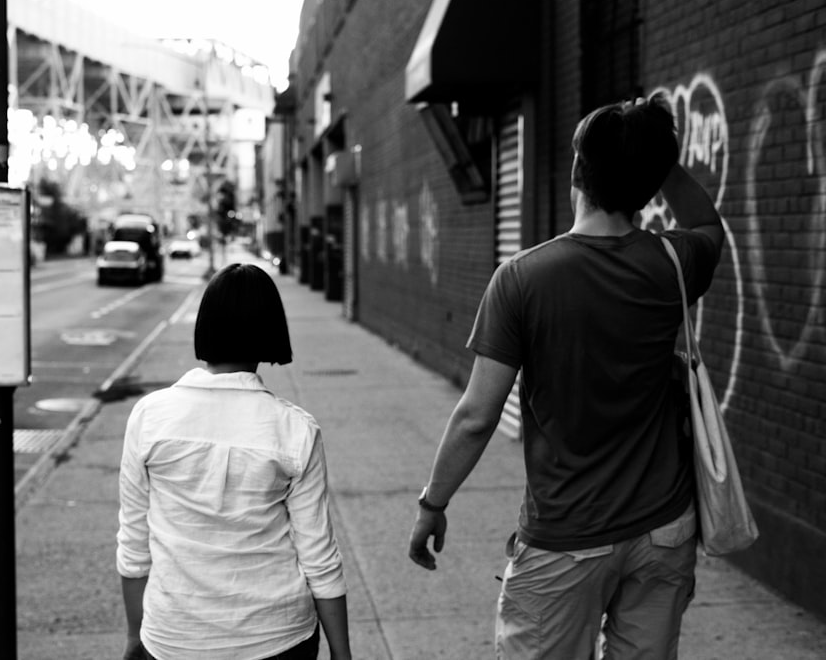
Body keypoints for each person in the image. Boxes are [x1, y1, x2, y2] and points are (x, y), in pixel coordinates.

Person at [408, 94, 724, 658]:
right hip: (663, 532)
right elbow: (705, 221)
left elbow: (478, 417)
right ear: (650, 188)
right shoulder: (674, 262)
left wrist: (433, 504)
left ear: (577, 171)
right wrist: (656, 159)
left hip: (566, 541)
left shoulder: (522, 279)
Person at [117, 263, 351, 660]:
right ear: (271, 329)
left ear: (204, 325)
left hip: (175, 638)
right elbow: (319, 557)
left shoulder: (149, 417)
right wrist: (342, 655)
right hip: (279, 639)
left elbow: (134, 546)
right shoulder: (294, 430)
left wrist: (135, 636)